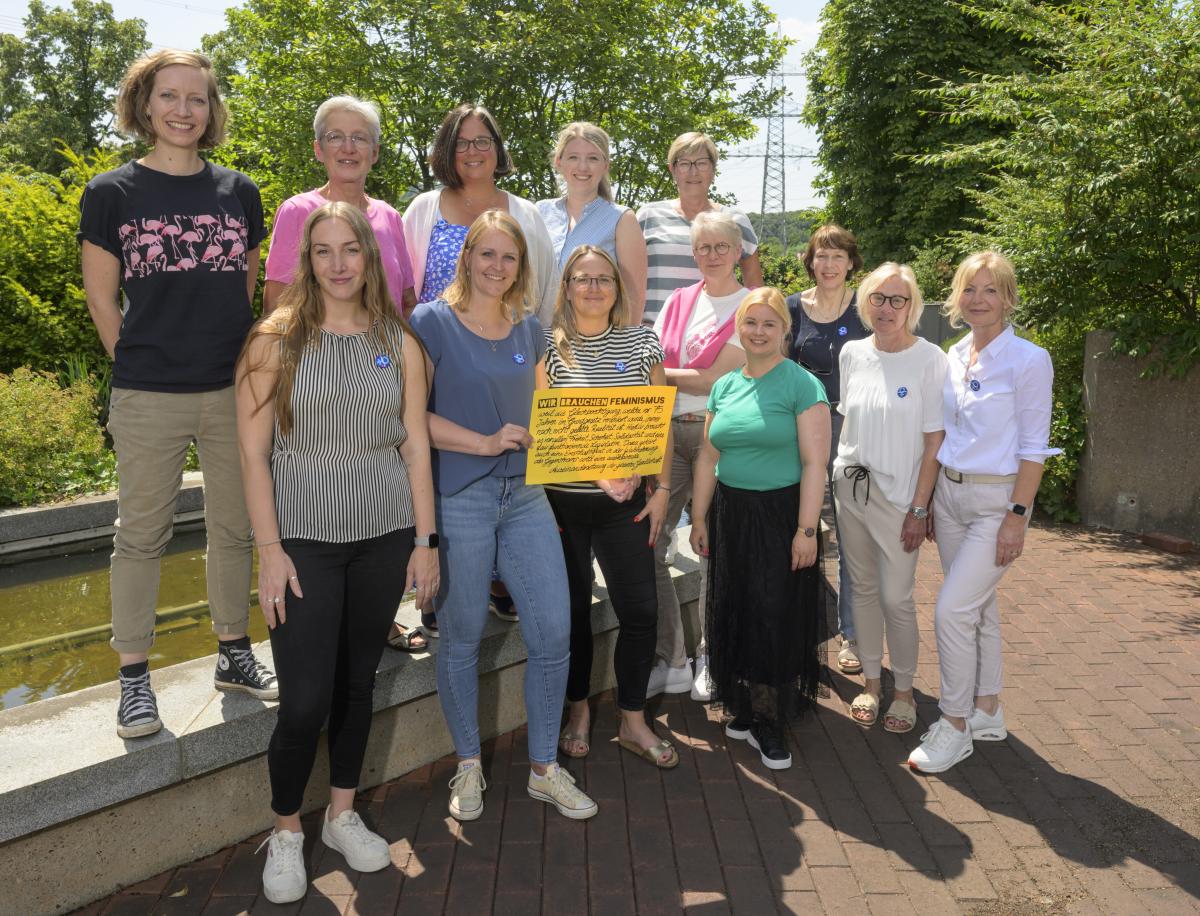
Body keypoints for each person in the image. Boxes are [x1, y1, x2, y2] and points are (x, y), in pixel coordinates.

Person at [236, 202, 438, 903]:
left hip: (383, 541)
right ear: (305, 261)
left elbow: (414, 446)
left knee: (358, 687)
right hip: (303, 548)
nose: (339, 263)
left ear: (369, 257)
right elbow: (254, 456)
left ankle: (342, 815)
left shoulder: (400, 342)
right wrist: (270, 550)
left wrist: (424, 541)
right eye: (323, 251)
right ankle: (287, 828)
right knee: (303, 702)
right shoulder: (273, 342)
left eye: (350, 249)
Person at [77, 49, 275, 740]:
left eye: (197, 98)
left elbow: (244, 286)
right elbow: (102, 298)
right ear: (145, 103)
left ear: (211, 108)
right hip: (148, 392)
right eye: (170, 96)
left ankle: (233, 653)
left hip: (230, 390)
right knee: (140, 536)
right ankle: (134, 679)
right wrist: (134, 362)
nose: (184, 109)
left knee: (235, 528)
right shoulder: (112, 194)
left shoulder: (239, 192)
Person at [411, 210, 598, 822]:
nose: (496, 267)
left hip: (525, 500)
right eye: (486, 254)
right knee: (461, 639)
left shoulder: (530, 330)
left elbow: (551, 421)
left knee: (554, 635)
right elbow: (414, 420)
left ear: (522, 266)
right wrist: (484, 442)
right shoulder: (431, 322)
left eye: (508, 257)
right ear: (467, 257)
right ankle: (468, 766)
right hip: (460, 497)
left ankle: (545, 769)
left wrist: (605, 467)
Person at [401, 103, 556, 635]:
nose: (473, 151)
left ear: (497, 149)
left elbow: (543, 293)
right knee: (445, 475)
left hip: (506, 355)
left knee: (508, 465)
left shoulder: (525, 213)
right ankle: (438, 587)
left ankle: (499, 580)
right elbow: (404, 287)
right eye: (462, 142)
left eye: (483, 140)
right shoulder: (424, 208)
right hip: (441, 361)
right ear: (448, 150)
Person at [908, 251, 1060, 774]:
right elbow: (943, 435)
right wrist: (925, 502)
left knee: (951, 611)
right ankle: (988, 710)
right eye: (969, 289)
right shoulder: (954, 354)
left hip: (997, 501)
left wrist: (1017, 515)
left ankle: (954, 724)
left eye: (990, 290)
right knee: (978, 608)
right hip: (950, 498)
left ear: (1008, 297)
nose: (978, 300)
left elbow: (1035, 447)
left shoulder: (1029, 359)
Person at [540, 246, 675, 768]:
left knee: (640, 613)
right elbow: (547, 430)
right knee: (571, 615)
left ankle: (633, 719)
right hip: (563, 508)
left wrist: (661, 488)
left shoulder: (642, 342)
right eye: (582, 279)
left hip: (629, 509)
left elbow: (658, 422)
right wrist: (600, 472)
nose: (593, 288)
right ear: (567, 286)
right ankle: (578, 712)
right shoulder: (548, 347)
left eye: (603, 279)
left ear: (618, 288)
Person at [689, 287, 830, 771]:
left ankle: (771, 720)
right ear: (738, 328)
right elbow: (709, 455)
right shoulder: (725, 385)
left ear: (784, 331)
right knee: (737, 606)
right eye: (751, 322)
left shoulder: (802, 385)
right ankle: (746, 708)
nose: (759, 331)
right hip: (730, 511)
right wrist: (701, 517)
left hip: (780, 515)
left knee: (773, 613)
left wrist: (806, 530)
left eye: (770, 324)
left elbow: (815, 465)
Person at [833, 263, 947, 733]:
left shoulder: (929, 359)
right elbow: (849, 421)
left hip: (900, 496)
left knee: (896, 597)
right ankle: (873, 684)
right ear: (865, 302)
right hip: (850, 488)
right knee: (860, 588)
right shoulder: (852, 353)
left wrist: (920, 507)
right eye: (878, 298)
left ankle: (905, 692)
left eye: (897, 300)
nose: (887, 308)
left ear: (912, 306)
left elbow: (934, 441)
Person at [651, 210, 749, 701]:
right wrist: (666, 374)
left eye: (720, 246)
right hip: (666, 435)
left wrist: (664, 375)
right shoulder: (677, 300)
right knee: (648, 545)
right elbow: (654, 359)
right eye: (702, 248)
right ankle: (672, 657)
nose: (711, 256)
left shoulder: (751, 305)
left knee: (715, 549)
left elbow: (718, 380)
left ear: (738, 251)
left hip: (716, 436)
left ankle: (712, 654)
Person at [786, 225, 869, 678]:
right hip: (802, 429)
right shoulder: (793, 307)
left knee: (851, 535)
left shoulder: (867, 307)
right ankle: (801, 631)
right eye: (822, 255)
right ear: (811, 260)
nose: (830, 264)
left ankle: (851, 634)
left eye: (839, 256)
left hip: (854, 433)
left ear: (851, 262)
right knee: (798, 529)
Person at [263, 96, 416, 317]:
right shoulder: (297, 211)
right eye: (335, 137)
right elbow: (277, 307)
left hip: (388, 348)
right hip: (317, 350)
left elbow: (407, 302)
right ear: (318, 150)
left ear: (374, 153)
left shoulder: (390, 216)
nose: (348, 148)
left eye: (360, 138)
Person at [638, 131, 763, 324]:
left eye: (702, 163)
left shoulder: (734, 220)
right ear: (672, 169)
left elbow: (755, 286)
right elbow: (627, 280)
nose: (693, 172)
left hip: (714, 336)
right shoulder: (647, 216)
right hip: (651, 336)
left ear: (713, 170)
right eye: (685, 164)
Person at [536, 122, 648, 322]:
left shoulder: (622, 219)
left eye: (593, 158)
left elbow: (634, 299)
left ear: (605, 165)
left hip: (598, 347)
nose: (583, 167)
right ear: (559, 161)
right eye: (573, 157)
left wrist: (623, 350)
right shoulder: (539, 212)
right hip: (538, 342)